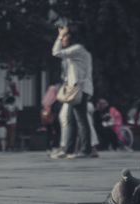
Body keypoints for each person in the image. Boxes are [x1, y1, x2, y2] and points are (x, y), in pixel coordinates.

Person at [52, 24, 94, 159]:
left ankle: (85, 150)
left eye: (65, 36)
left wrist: (58, 37)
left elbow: (56, 52)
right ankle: (68, 150)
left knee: (81, 120)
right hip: (74, 90)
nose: (63, 38)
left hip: (79, 89)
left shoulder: (78, 49)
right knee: (70, 120)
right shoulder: (77, 50)